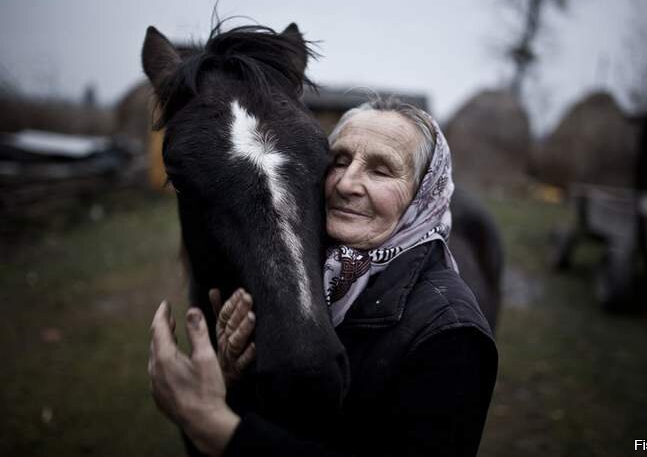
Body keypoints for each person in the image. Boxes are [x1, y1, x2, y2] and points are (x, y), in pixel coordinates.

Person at [148, 98, 498, 457]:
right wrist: (231, 385)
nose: (347, 183)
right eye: (340, 160)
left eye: (380, 170)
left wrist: (219, 430)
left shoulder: (451, 334)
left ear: (425, 195)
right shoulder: (299, 278)